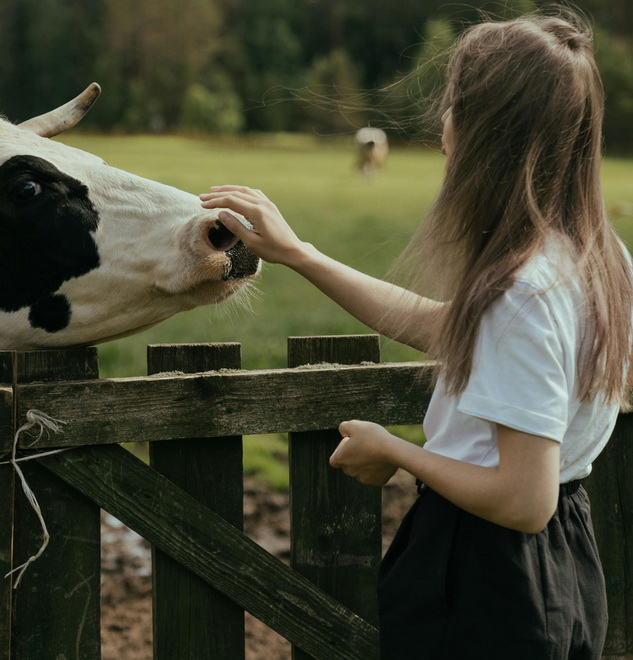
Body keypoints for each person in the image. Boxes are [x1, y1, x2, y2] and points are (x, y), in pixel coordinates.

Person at [199, 10, 633, 660]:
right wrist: (302, 255)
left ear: (491, 131)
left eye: (455, 105)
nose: (442, 126)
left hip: (488, 572)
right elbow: (447, 328)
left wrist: (395, 452)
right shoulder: (597, 258)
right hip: (560, 562)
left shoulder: (523, 291)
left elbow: (521, 500)